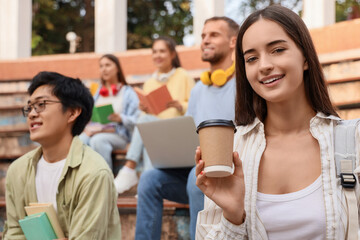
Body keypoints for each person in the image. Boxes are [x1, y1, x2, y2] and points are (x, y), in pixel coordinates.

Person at [195, 5, 360, 240]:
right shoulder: (232, 151)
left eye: (278, 50)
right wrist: (233, 215)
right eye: (251, 58)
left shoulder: (353, 141)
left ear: (305, 57)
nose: (263, 66)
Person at [135, 17, 239, 240]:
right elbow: (189, 133)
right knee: (149, 179)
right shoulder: (199, 90)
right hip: (196, 172)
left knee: (196, 174)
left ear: (233, 41)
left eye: (213, 35)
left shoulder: (244, 84)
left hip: (228, 175)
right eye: (203, 36)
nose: (205, 40)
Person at [3, 72, 121, 239]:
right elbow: (13, 234)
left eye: (41, 104)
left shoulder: (93, 173)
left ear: (72, 113)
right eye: (29, 107)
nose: (31, 114)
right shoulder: (18, 170)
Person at [114, 36, 195, 194]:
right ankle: (146, 187)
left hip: (178, 132)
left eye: (162, 51)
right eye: (155, 51)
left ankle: (130, 169)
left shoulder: (183, 75)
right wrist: (146, 108)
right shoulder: (150, 82)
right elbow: (150, 114)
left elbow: (195, 107)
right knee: (146, 124)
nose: (158, 55)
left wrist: (181, 105)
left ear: (172, 54)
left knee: (146, 124)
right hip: (158, 133)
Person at [80, 54, 140, 170]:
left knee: (98, 141)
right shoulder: (97, 93)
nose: (104, 69)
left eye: (108, 65)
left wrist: (121, 118)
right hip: (95, 131)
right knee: (79, 140)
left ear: (117, 68)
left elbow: (137, 120)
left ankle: (105, 182)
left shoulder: (128, 93)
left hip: (119, 135)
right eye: (101, 66)